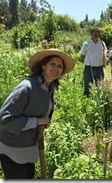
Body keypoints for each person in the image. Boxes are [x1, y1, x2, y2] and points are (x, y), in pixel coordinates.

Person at [0, 48, 75, 179]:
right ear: (43, 65)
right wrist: (38, 121)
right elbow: (4, 119)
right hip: (12, 149)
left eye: (60, 66)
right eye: (52, 64)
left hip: (29, 148)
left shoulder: (49, 88)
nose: (56, 68)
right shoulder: (26, 87)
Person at [80, 26, 107, 96]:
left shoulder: (102, 44)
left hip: (99, 68)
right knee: (88, 86)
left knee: (99, 86)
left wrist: (104, 63)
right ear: (91, 34)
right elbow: (82, 55)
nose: (96, 34)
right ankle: (87, 101)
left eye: (97, 33)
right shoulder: (86, 43)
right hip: (89, 68)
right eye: (94, 32)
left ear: (99, 34)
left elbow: (105, 54)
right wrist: (88, 62)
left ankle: (98, 100)